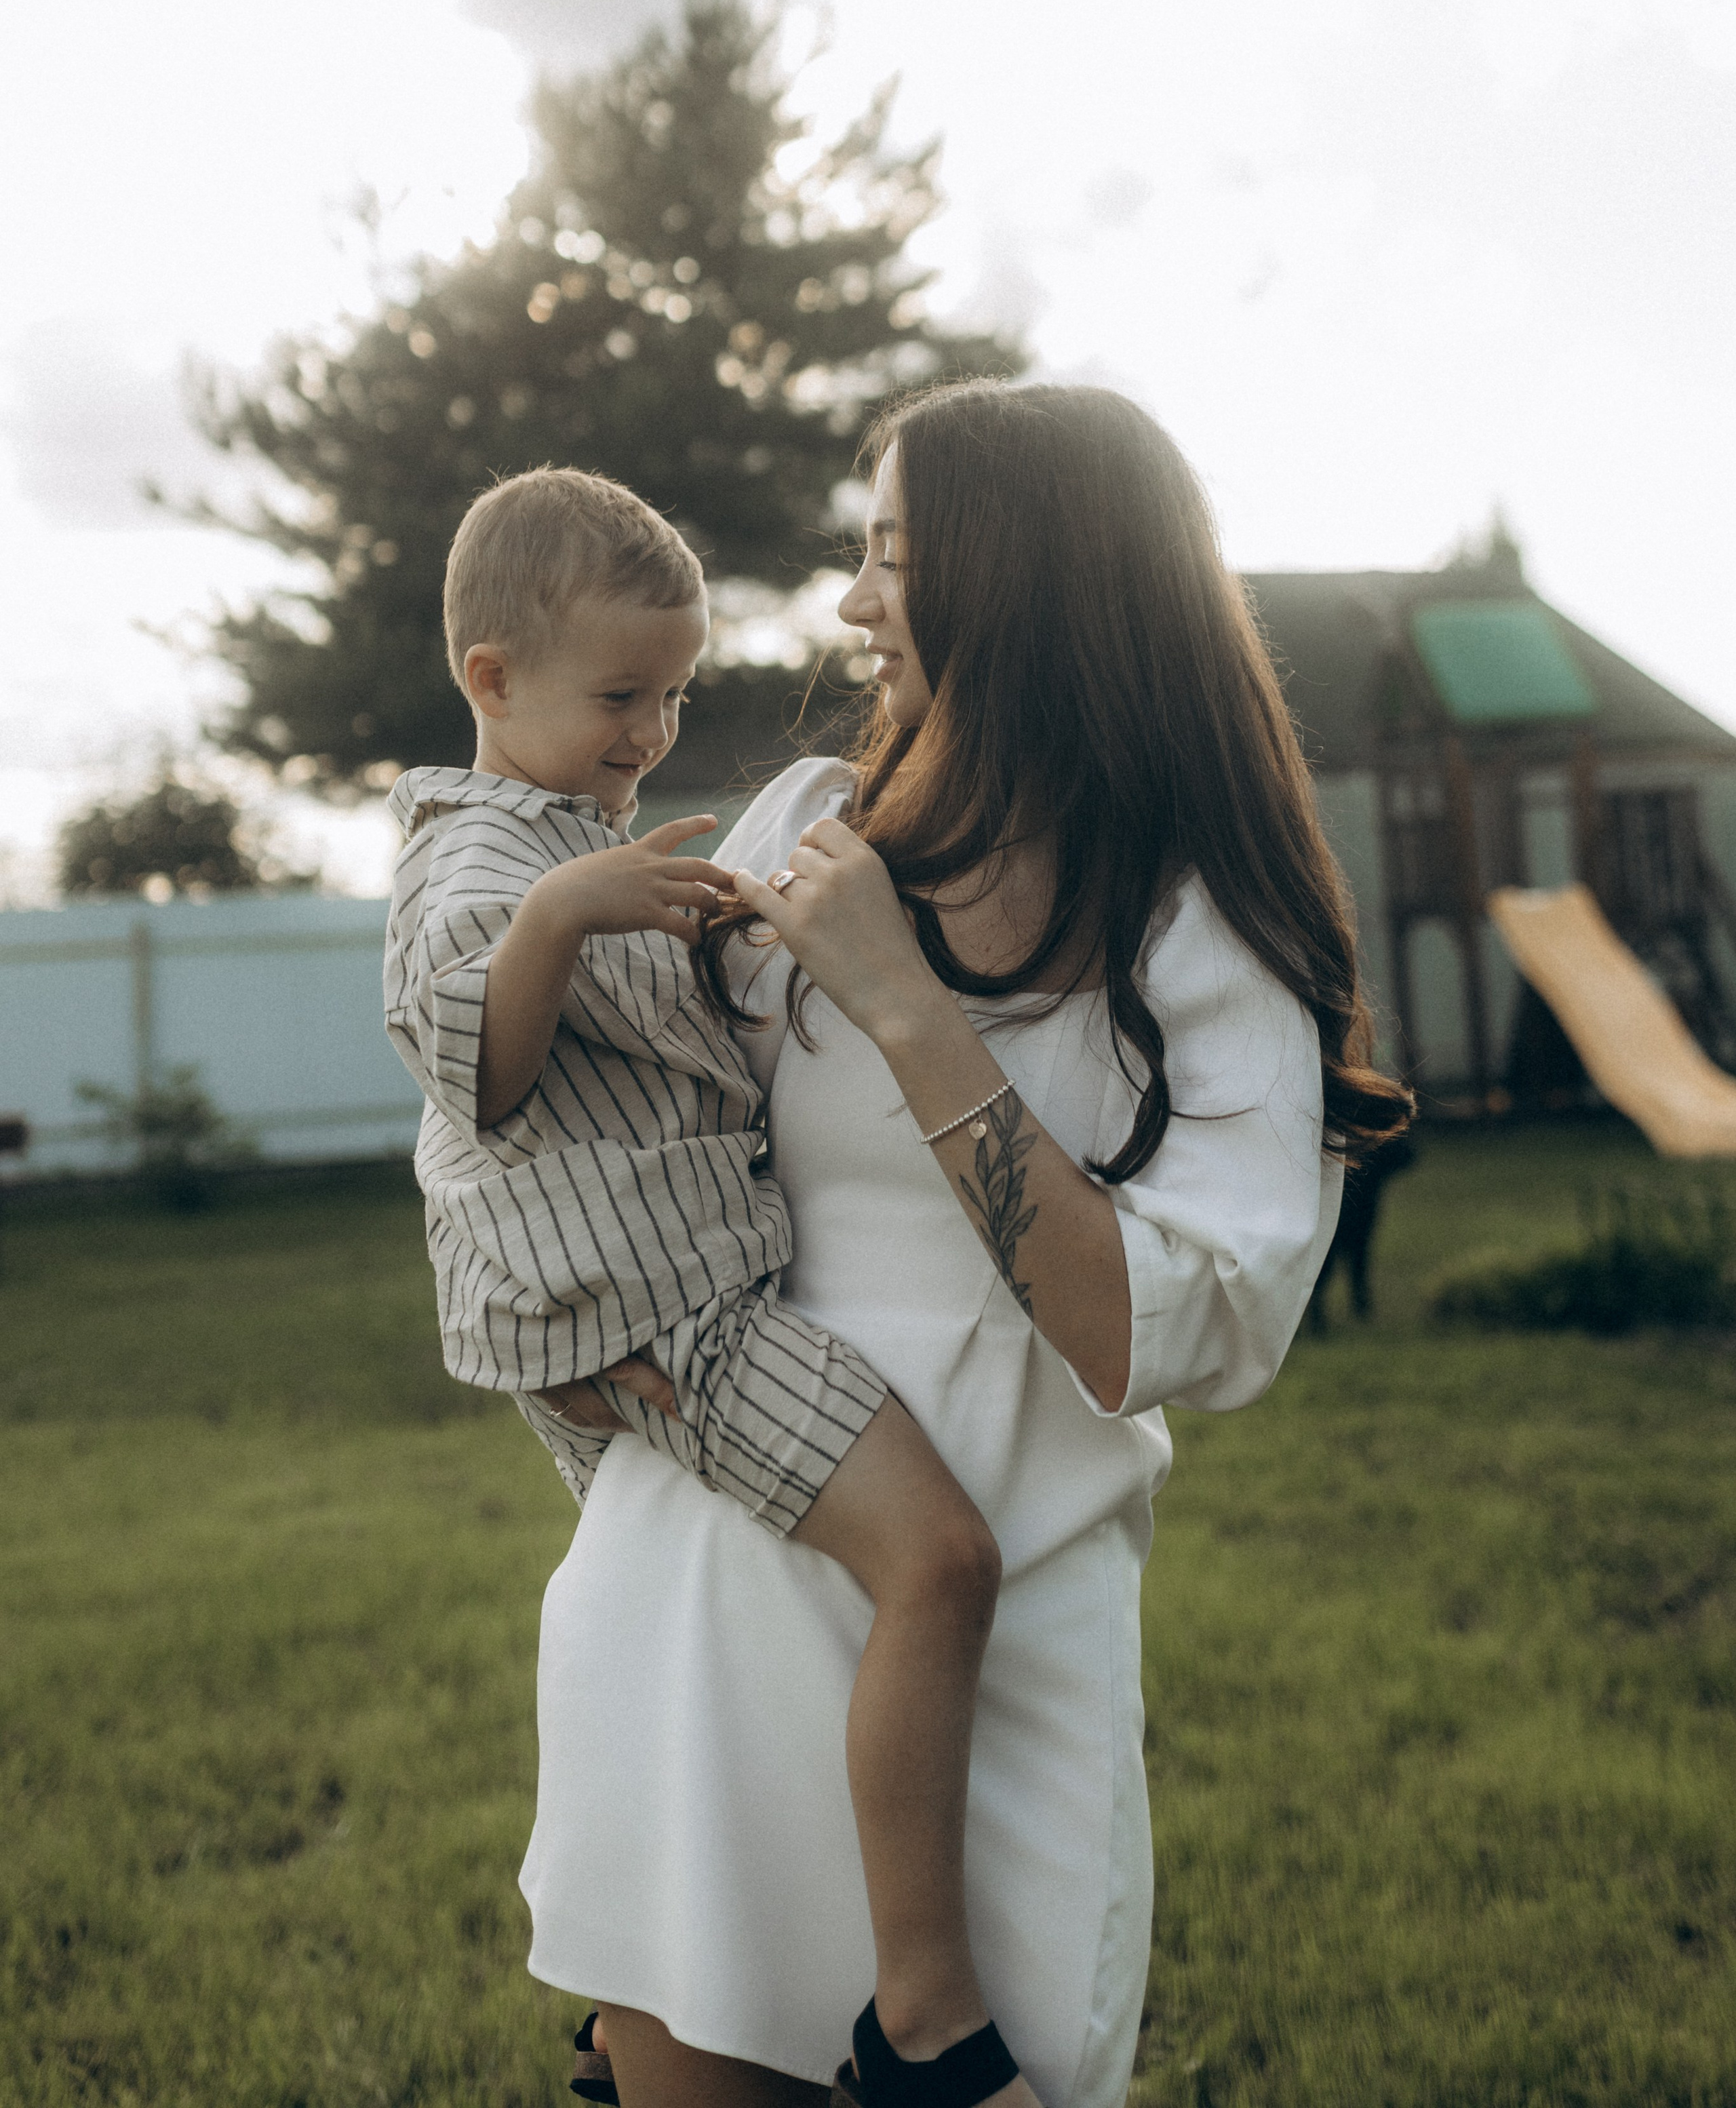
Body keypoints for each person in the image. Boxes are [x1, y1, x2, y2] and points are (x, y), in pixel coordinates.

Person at [524, 382, 1413, 2107]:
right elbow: (620, 1149)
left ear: (1032, 581)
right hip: (700, 1591)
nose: (854, 602)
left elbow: (1165, 1337)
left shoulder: (1195, 917)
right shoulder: (799, 822)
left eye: (895, 557)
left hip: (992, 1650)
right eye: (860, 554)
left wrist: (909, 1009)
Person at [382, 467, 1044, 2108]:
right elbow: (476, 1068)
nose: (650, 732)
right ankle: (925, 2018)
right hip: (678, 1322)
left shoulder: (569, 836)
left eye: (671, 695)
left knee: (689, 1646)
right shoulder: (473, 863)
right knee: (940, 1562)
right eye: (620, 696)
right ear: (490, 679)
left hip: (661, 1306)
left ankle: (639, 2033)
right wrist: (559, 914)